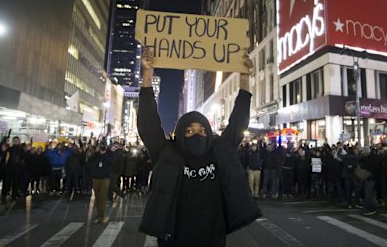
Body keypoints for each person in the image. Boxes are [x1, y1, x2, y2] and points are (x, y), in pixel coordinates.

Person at [137, 47, 261, 247]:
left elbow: (238, 123)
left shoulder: (218, 150)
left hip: (212, 237)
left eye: (202, 130)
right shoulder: (167, 152)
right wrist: (147, 74)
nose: (196, 134)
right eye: (189, 131)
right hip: (173, 238)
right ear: (179, 134)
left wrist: (245, 79)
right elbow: (147, 123)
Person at [87, 144, 115, 223]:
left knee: (103, 196)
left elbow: (112, 162)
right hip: (96, 177)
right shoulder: (95, 155)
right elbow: (89, 162)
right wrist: (96, 153)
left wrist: (104, 154)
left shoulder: (109, 154)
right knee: (97, 196)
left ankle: (102, 215)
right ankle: (99, 214)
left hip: (105, 177)